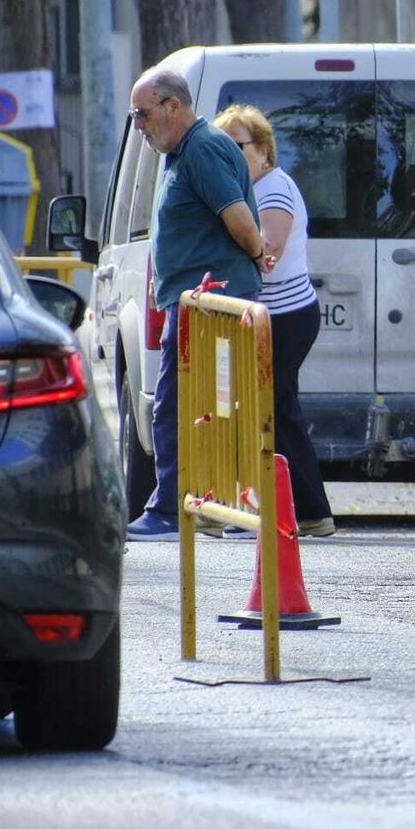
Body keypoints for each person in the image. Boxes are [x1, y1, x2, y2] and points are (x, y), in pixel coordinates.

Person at [125, 68, 274, 541]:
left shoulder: (203, 148)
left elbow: (240, 221)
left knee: (184, 406)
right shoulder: (181, 151)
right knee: (202, 407)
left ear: (173, 106)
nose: (139, 126)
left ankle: (173, 508)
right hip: (198, 303)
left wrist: (256, 255)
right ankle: (213, 506)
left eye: (142, 114)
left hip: (214, 303)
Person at [214, 104, 335, 538]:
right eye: (222, 147)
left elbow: (268, 250)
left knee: (267, 410)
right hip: (268, 316)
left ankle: (283, 510)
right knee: (274, 409)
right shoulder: (252, 190)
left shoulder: (273, 189)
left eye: (239, 145)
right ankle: (305, 511)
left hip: (284, 318)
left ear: (264, 151)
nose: (230, 153)